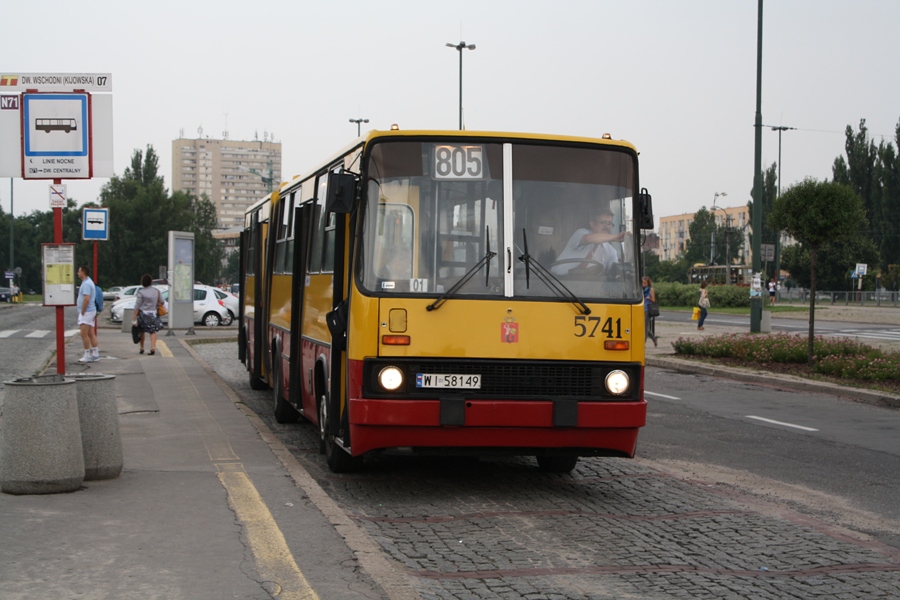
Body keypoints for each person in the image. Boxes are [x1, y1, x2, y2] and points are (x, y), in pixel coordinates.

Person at [550, 208, 626, 276]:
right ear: (592, 223)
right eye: (603, 223)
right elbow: (588, 239)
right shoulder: (580, 234)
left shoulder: (611, 251)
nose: (607, 226)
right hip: (557, 282)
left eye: (609, 223)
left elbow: (615, 271)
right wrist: (615, 237)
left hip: (587, 287)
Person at [132, 274, 166, 355]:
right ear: (151, 282)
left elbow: (137, 306)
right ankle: (152, 347)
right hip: (153, 314)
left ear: (142, 282)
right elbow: (162, 301)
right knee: (152, 331)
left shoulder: (141, 293)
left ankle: (142, 348)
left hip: (143, 314)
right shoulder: (156, 291)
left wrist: (134, 317)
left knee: (142, 331)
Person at [76, 265, 100, 363]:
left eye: (79, 271)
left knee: (83, 333)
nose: (78, 273)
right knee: (91, 333)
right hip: (91, 311)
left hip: (87, 311)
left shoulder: (86, 284)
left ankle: (87, 355)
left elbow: (86, 298)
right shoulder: (88, 282)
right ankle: (95, 353)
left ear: (83, 272)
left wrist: (82, 310)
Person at [642, 276, 658, 347]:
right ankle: (653, 338)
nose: (643, 284)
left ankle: (643, 343)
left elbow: (654, 300)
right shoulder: (642, 290)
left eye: (645, 283)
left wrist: (649, 298)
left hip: (647, 309)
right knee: (642, 326)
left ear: (648, 283)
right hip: (641, 309)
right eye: (642, 282)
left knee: (645, 327)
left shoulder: (650, 290)